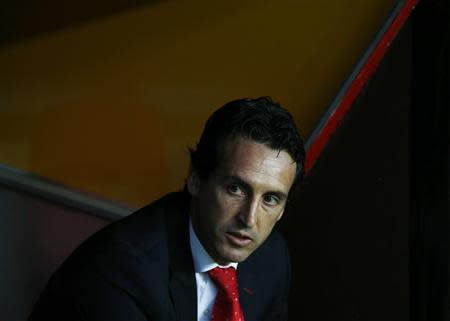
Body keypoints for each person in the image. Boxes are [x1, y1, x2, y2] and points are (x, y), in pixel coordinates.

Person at [29, 97, 305, 321]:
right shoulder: (119, 273)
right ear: (195, 178)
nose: (249, 218)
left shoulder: (272, 259)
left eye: (270, 199)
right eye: (236, 189)